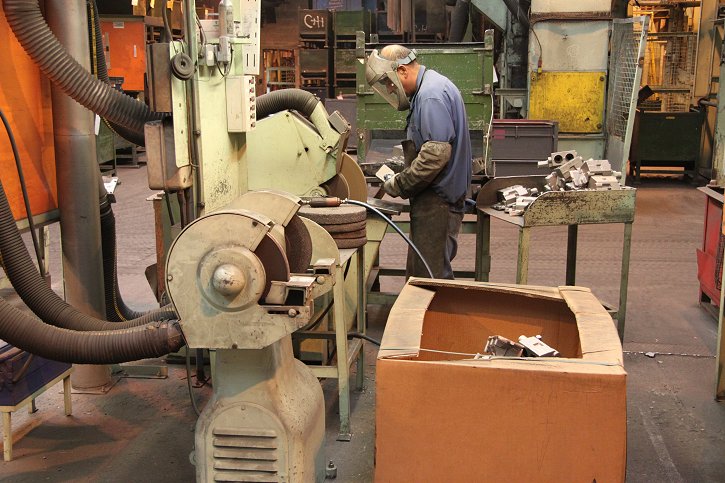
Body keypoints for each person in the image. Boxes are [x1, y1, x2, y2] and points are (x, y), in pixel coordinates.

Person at [365, 45, 472, 279]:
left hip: (438, 202)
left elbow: (435, 156)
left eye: (389, 82)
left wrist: (399, 184)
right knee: (422, 274)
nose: (390, 89)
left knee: (430, 280)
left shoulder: (430, 95)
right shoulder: (430, 87)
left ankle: (438, 306)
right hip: (435, 200)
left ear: (402, 71)